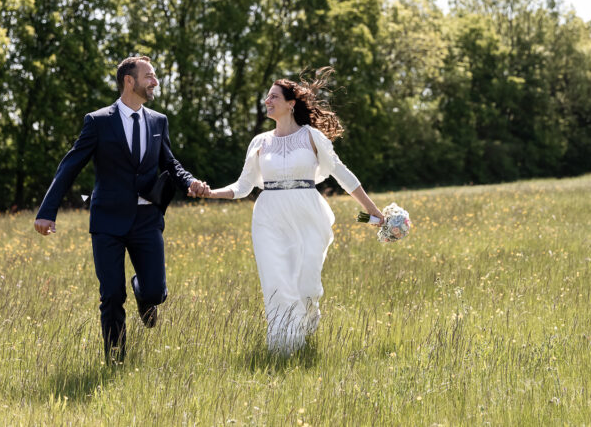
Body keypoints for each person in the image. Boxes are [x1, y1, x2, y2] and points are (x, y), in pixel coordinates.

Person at [34, 55, 209, 362]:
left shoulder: (158, 121)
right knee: (112, 295)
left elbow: (169, 162)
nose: (155, 81)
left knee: (156, 292)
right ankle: (116, 360)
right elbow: (70, 166)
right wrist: (47, 211)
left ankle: (144, 296)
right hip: (108, 221)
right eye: (149, 76)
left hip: (146, 220)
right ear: (130, 81)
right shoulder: (98, 121)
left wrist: (190, 181)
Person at [199, 68, 384, 355]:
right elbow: (244, 186)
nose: (266, 101)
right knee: (276, 282)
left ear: (290, 103)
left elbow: (342, 174)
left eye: (273, 97)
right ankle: (283, 349)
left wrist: (373, 212)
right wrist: (211, 193)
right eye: (266, 97)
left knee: (306, 284)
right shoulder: (260, 142)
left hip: (308, 214)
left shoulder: (311, 136)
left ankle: (307, 320)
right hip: (269, 217)